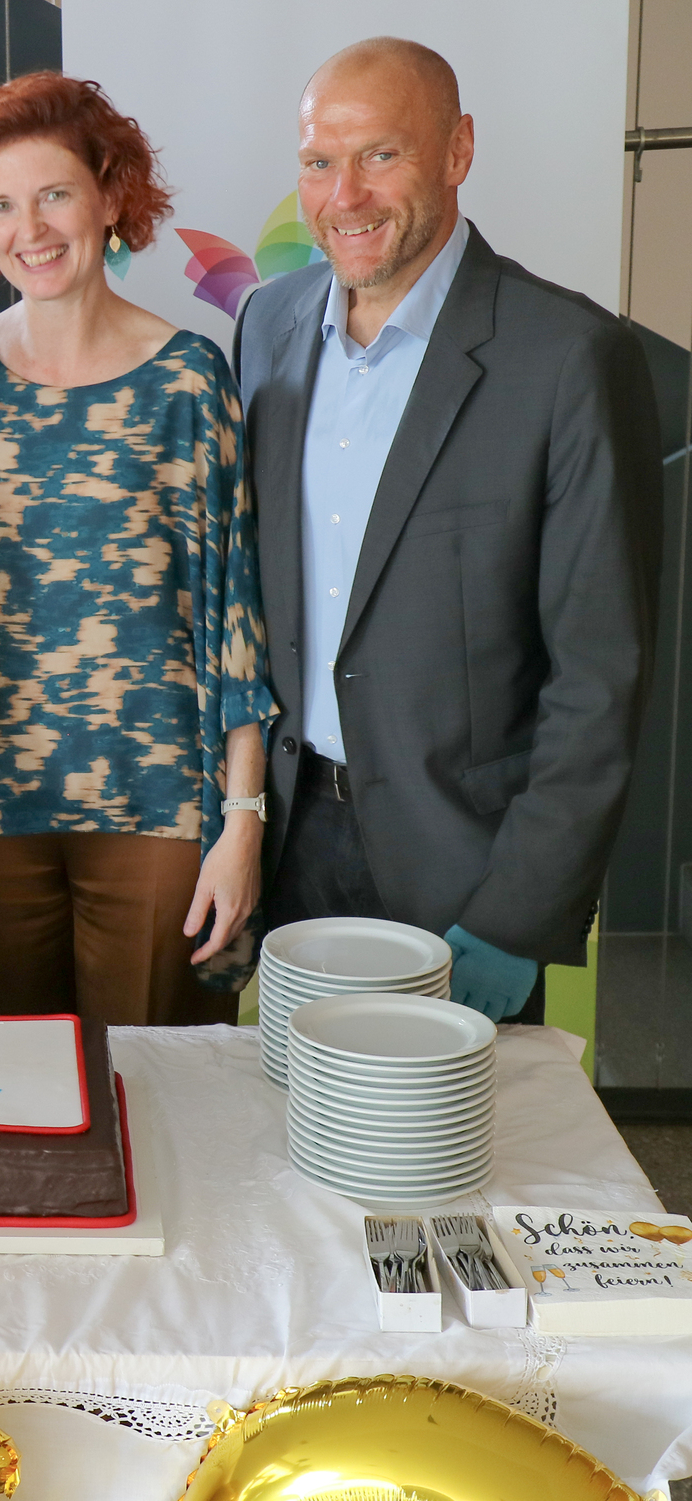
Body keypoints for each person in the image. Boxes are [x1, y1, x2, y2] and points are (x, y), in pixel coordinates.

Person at [236, 38, 660, 1021]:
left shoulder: (568, 358)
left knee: (463, 1167)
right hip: (291, 854)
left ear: (457, 150)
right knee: (292, 1152)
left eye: (379, 155)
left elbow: (598, 677)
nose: (342, 195)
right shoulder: (265, 326)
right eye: (315, 162)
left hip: (463, 877)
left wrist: (513, 918)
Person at [0, 74, 277, 1026]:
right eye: (0, 205)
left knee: (159, 1096)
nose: (29, 227)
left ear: (112, 195)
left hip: (159, 806)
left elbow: (234, 611)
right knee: (5, 1100)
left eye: (54, 194)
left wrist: (244, 821)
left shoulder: (191, 377)